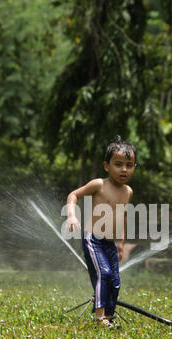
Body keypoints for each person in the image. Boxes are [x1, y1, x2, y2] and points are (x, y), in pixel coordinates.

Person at [65, 136, 137, 327]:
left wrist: (121, 243)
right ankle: (100, 317)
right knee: (103, 274)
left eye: (129, 165)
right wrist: (72, 215)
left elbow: (123, 217)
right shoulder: (99, 184)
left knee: (115, 281)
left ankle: (109, 316)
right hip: (93, 239)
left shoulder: (128, 191)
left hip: (110, 243)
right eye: (118, 164)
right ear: (107, 166)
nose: (124, 169)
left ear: (134, 167)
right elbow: (73, 195)